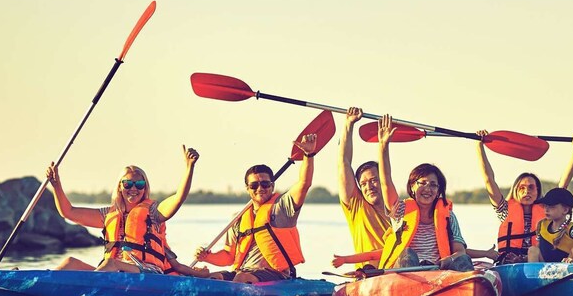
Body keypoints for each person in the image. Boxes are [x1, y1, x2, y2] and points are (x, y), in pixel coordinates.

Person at [46, 145, 200, 274]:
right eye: (128, 184)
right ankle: (42, 287)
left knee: (111, 263)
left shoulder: (153, 212)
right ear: (120, 186)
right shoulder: (108, 214)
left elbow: (179, 198)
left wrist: (189, 167)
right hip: (115, 275)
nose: (133, 188)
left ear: (145, 187)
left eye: (139, 184)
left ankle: (92, 291)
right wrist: (56, 185)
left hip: (148, 274)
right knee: (70, 262)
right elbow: (68, 212)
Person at [195, 134, 318, 283]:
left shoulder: (282, 208)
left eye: (265, 184)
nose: (260, 188)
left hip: (276, 274)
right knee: (212, 278)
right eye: (254, 185)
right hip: (242, 272)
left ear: (272, 186)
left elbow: (304, 184)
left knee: (242, 277)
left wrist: (308, 154)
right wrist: (207, 257)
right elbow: (228, 256)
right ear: (247, 189)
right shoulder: (238, 218)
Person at [375, 116, 473, 270]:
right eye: (422, 183)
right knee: (408, 254)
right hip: (406, 271)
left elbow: (459, 251)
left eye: (433, 185)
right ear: (412, 187)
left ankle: (469, 291)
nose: (428, 189)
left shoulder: (449, 217)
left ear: (439, 190)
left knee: (464, 259)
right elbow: (385, 181)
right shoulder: (400, 210)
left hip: (437, 272)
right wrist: (383, 145)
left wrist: (448, 260)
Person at [475, 130, 573, 264]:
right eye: (522, 188)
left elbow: (563, 185)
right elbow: (488, 180)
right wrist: (479, 146)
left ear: (538, 190)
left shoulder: (547, 210)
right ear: (516, 190)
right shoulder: (504, 209)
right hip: (509, 263)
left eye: (531, 187)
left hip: (537, 262)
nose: (527, 191)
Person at [332, 107, 396, 269]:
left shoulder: (400, 209)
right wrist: (349, 125)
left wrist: (384, 144)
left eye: (374, 180)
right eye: (363, 183)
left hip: (399, 273)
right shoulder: (357, 206)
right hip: (369, 275)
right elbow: (344, 163)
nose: (369, 186)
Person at [526, 187, 573, 263]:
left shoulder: (571, 229)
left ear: (565, 210)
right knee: (533, 249)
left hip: (566, 266)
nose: (546, 210)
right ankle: (532, 274)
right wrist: (524, 258)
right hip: (545, 267)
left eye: (552, 207)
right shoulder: (542, 225)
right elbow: (540, 247)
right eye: (545, 206)